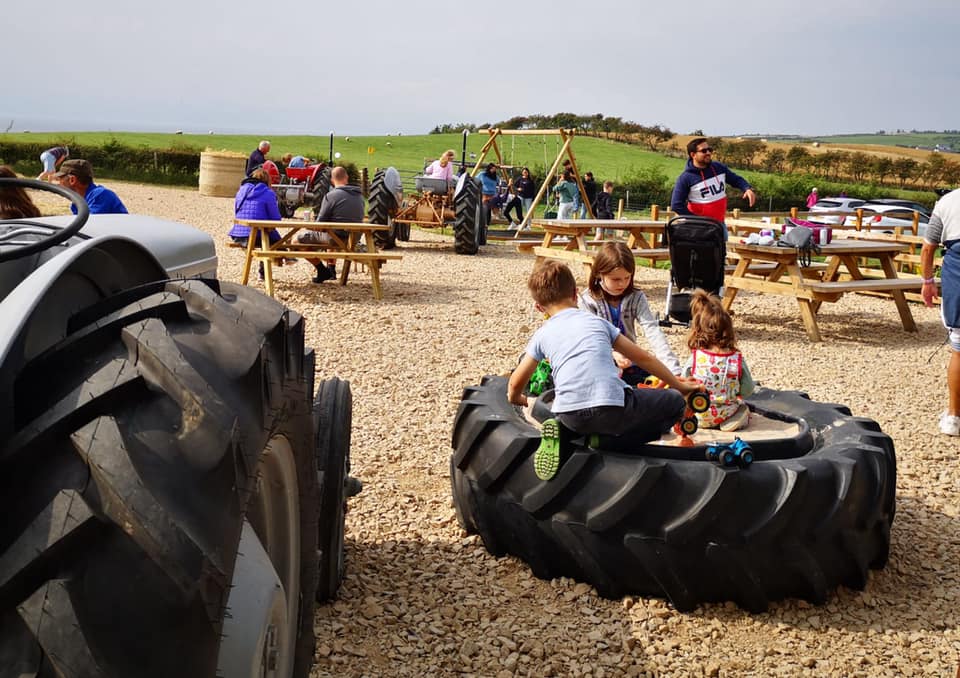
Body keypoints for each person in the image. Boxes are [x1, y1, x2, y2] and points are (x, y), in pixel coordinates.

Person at [507, 260, 699, 480]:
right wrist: (680, 386)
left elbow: (515, 384)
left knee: (577, 414)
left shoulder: (542, 334)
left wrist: (519, 399)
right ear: (575, 293)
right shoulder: (597, 323)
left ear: (539, 307)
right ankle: (607, 441)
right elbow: (644, 358)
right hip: (613, 410)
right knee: (674, 403)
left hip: (570, 415)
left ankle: (567, 433)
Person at [578, 242, 682, 386]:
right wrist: (612, 354)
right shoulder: (587, 301)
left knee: (655, 380)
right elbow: (590, 340)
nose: (622, 284)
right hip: (600, 363)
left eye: (627, 278)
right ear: (598, 274)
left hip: (630, 363)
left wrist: (673, 370)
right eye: (616, 279)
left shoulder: (636, 297)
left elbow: (652, 330)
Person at [682, 290, 755, 432]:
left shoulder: (696, 357)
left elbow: (684, 381)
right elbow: (748, 389)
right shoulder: (736, 359)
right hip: (727, 411)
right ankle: (731, 420)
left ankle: (704, 419)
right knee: (743, 406)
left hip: (699, 412)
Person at [921, 187, 960, 436]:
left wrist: (927, 281)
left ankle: (954, 417)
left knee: (959, 348)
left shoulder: (948, 200)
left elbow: (928, 248)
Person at [670, 137, 756, 238]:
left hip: (719, 225)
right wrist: (697, 221)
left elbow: (735, 179)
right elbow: (676, 205)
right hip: (698, 229)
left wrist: (747, 188)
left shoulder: (718, 167)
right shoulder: (685, 178)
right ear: (693, 155)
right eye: (703, 151)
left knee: (720, 254)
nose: (708, 153)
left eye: (709, 149)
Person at [298, 166, 365, 283]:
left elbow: (319, 224)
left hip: (337, 239)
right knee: (331, 234)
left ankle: (322, 270)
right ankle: (331, 270)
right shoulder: (360, 197)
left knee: (297, 240)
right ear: (347, 178)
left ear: (332, 180)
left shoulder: (331, 196)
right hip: (353, 239)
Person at [228, 167, 282, 280]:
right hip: (256, 235)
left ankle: (281, 257)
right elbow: (276, 218)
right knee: (269, 238)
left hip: (238, 234)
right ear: (267, 180)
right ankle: (267, 271)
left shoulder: (241, 190)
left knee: (266, 236)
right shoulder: (268, 193)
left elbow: (237, 211)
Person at [53, 159, 128, 215]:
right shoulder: (79, 201)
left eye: (60, 179)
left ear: (72, 180)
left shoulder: (100, 195)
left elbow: (89, 225)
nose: (59, 183)